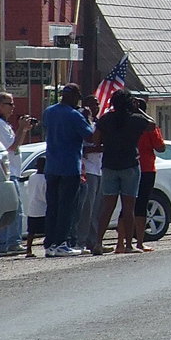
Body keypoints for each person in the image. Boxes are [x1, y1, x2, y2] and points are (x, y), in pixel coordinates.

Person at [94, 89, 155, 255]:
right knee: (129, 207)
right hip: (129, 165)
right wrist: (138, 109)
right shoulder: (136, 119)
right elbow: (152, 125)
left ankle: (98, 243)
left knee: (107, 206)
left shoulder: (106, 119)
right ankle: (128, 245)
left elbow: (94, 139)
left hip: (109, 165)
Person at [41, 84, 94, 257]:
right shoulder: (74, 115)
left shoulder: (49, 111)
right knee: (67, 207)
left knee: (52, 206)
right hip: (70, 166)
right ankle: (62, 243)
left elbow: (45, 128)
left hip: (52, 166)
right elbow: (90, 136)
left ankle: (50, 244)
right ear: (74, 96)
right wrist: (88, 118)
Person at [0, 91, 33, 256]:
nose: (13, 107)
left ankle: (3, 244)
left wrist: (24, 130)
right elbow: (11, 148)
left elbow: (16, 146)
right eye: (10, 104)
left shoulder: (4, 124)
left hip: (13, 171)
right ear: (0, 106)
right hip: (9, 173)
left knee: (10, 209)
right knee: (16, 209)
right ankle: (11, 243)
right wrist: (21, 128)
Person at [132, 97, 165, 252]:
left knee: (127, 204)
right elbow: (160, 147)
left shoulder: (124, 123)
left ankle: (122, 242)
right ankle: (139, 242)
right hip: (146, 168)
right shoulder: (149, 127)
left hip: (129, 167)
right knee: (141, 204)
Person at [75, 96, 105, 256]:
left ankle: (95, 241)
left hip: (100, 169)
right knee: (87, 209)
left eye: (97, 104)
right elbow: (83, 148)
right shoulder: (83, 126)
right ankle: (81, 241)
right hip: (88, 170)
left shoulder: (97, 124)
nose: (95, 107)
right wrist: (100, 148)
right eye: (91, 105)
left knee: (98, 209)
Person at [23, 156, 46, 257]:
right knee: (48, 230)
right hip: (43, 209)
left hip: (32, 208)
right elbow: (45, 195)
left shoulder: (32, 176)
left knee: (31, 232)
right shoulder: (45, 179)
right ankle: (48, 247)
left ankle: (28, 250)